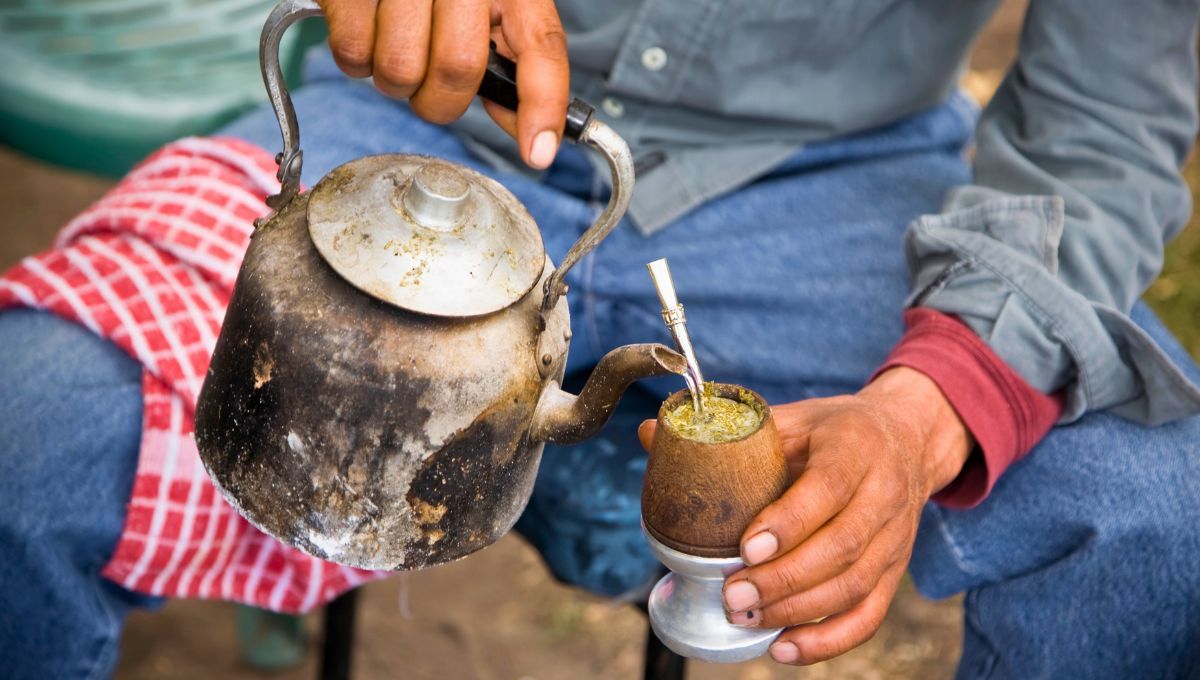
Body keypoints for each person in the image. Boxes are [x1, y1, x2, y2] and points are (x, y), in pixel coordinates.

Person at [3, 0, 1200, 677]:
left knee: (1157, 513)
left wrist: (931, 406)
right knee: (27, 433)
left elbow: (1105, 127)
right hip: (429, 125)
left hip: (831, 184)